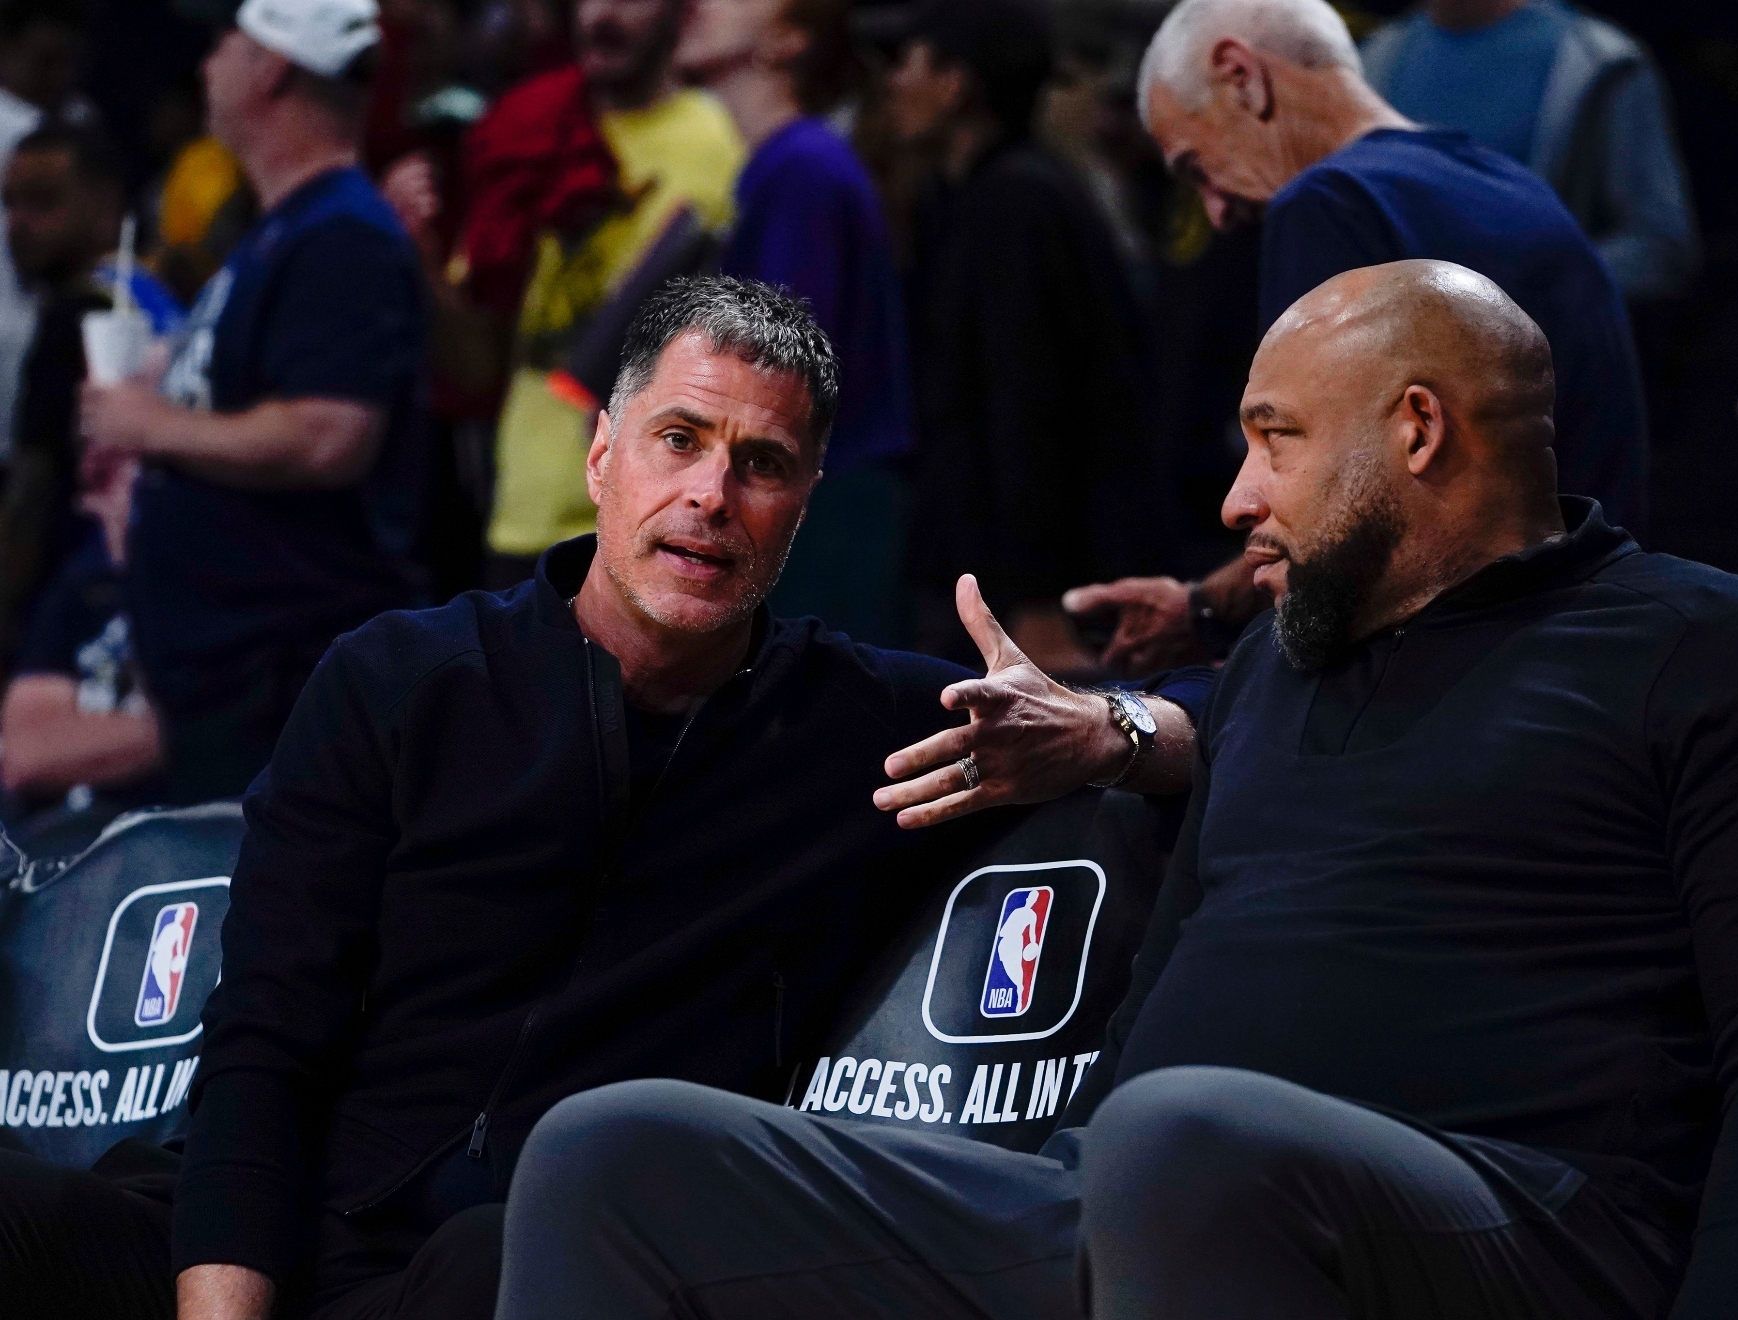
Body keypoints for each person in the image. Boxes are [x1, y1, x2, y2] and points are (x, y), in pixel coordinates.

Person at [490, 261, 1738, 1320]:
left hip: (1521, 1225)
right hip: (1133, 1193)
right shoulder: (1283, 670)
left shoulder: (1716, 654)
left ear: (1415, 430)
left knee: (1179, 1141)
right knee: (616, 1151)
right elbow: (1158, 995)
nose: (1235, 495)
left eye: (1274, 437)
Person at [0, 276, 1203, 1320]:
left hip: (523, 1263)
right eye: (679, 439)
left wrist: (1110, 729)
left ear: (803, 508)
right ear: (600, 456)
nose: (711, 494)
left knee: (500, 1254)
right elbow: (264, 1046)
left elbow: (1227, 718)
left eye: (763, 465)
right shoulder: (398, 680)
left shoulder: (871, 728)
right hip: (265, 1233)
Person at [1065, 0, 1647, 677]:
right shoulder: (1512, 185)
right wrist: (1205, 605)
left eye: (1197, 167)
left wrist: (1205, 620)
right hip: (1596, 634)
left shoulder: (1330, 204)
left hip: (1455, 669)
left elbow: (1324, 519)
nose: (1218, 212)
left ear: (1241, 77)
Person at [76, 0, 428, 806]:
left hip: (286, 685)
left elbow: (330, 436)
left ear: (271, 67)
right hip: (233, 683)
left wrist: (151, 425)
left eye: (225, 43)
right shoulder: (286, 230)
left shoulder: (343, 234)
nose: (207, 65)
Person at [886, 0, 1153, 673]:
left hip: (1021, 602)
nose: (892, 82)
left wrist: (1035, 599)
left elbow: (1030, 407)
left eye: (908, 62)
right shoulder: (969, 199)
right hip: (987, 576)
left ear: (956, 83)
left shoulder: (1015, 207)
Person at [467, 0, 746, 587]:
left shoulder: (718, 146)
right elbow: (474, 353)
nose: (603, 14)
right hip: (519, 509)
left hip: (646, 521)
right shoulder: (529, 130)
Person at [673, 0, 917, 645]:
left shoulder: (800, 170)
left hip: (823, 516)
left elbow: (770, 373)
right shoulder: (791, 164)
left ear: (788, 39)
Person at [1359, 0, 1698, 304]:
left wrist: (1529, 290)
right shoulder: (1374, 60)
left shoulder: (1597, 61)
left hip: (1543, 359)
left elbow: (1660, 245)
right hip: (1390, 355)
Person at [0, 124, 181, 666]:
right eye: (10, 205)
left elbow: (34, 484)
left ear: (105, 202)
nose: (17, 225)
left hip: (90, 576)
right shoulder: (161, 297)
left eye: (43, 202)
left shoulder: (78, 316)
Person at [0, 447, 164, 846]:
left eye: (109, 481)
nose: (88, 503)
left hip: (168, 843)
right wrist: (183, 732)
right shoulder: (83, 592)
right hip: (53, 845)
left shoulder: (235, 601)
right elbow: (27, 756)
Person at [0, 0, 90, 462]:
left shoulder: (75, 120)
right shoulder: (24, 126)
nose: (55, 75)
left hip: (44, 332)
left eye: (65, 61)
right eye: (42, 60)